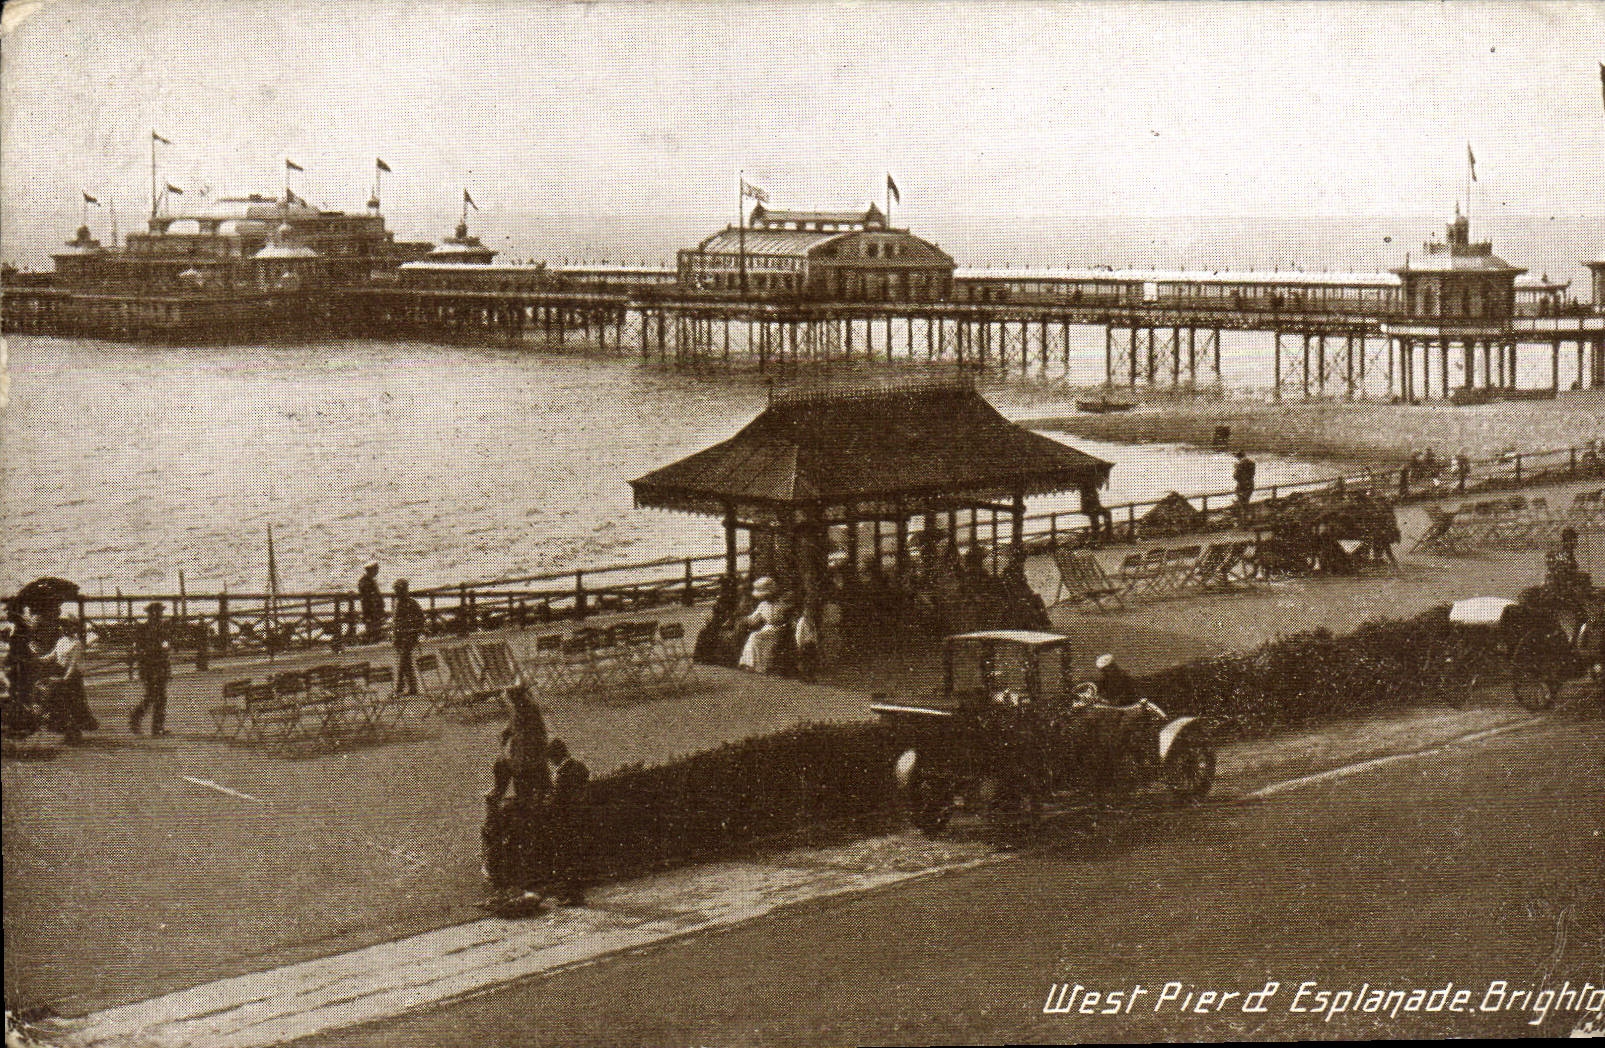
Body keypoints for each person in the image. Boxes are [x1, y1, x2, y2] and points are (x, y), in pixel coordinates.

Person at [544, 738, 591, 907]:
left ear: (555, 757)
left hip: (565, 821)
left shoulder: (561, 774)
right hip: (580, 819)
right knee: (576, 857)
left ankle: (572, 895)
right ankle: (577, 894)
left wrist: (547, 801)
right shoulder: (579, 767)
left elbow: (557, 800)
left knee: (565, 857)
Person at [489, 683, 550, 804]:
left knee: (520, 774)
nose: (510, 701)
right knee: (505, 767)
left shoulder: (528, 709)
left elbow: (530, 737)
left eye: (511, 698)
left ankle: (522, 797)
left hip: (531, 753)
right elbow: (512, 726)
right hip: (522, 753)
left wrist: (517, 760)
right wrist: (506, 734)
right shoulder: (519, 708)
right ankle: (506, 793)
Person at [128, 602, 172, 736]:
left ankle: (155, 727)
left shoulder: (159, 628)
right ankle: (137, 720)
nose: (160, 615)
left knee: (158, 698)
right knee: (153, 697)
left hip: (157, 667)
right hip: (150, 667)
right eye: (158, 612)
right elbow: (140, 649)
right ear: (152, 614)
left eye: (160, 612)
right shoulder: (146, 629)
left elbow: (165, 649)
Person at [737, 577, 788, 674]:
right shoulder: (762, 605)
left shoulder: (781, 603)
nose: (765, 598)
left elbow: (784, 618)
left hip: (780, 628)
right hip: (767, 629)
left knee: (755, 636)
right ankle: (750, 664)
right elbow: (753, 618)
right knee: (754, 636)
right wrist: (744, 619)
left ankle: (757, 665)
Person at [391, 579, 425, 697]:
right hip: (401, 638)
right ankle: (412, 687)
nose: (398, 593)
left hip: (409, 638)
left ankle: (399, 688)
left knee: (403, 662)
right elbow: (396, 623)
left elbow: (421, 620)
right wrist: (395, 637)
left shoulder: (411, 603)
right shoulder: (399, 603)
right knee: (406, 662)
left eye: (399, 590)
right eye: (397, 590)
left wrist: (415, 632)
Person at [357, 562, 386, 643]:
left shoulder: (369, 580)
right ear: (371, 570)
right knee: (372, 629)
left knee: (376, 629)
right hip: (371, 610)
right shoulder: (365, 581)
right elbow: (367, 598)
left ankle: (374, 642)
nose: (377, 571)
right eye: (376, 569)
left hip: (375, 610)